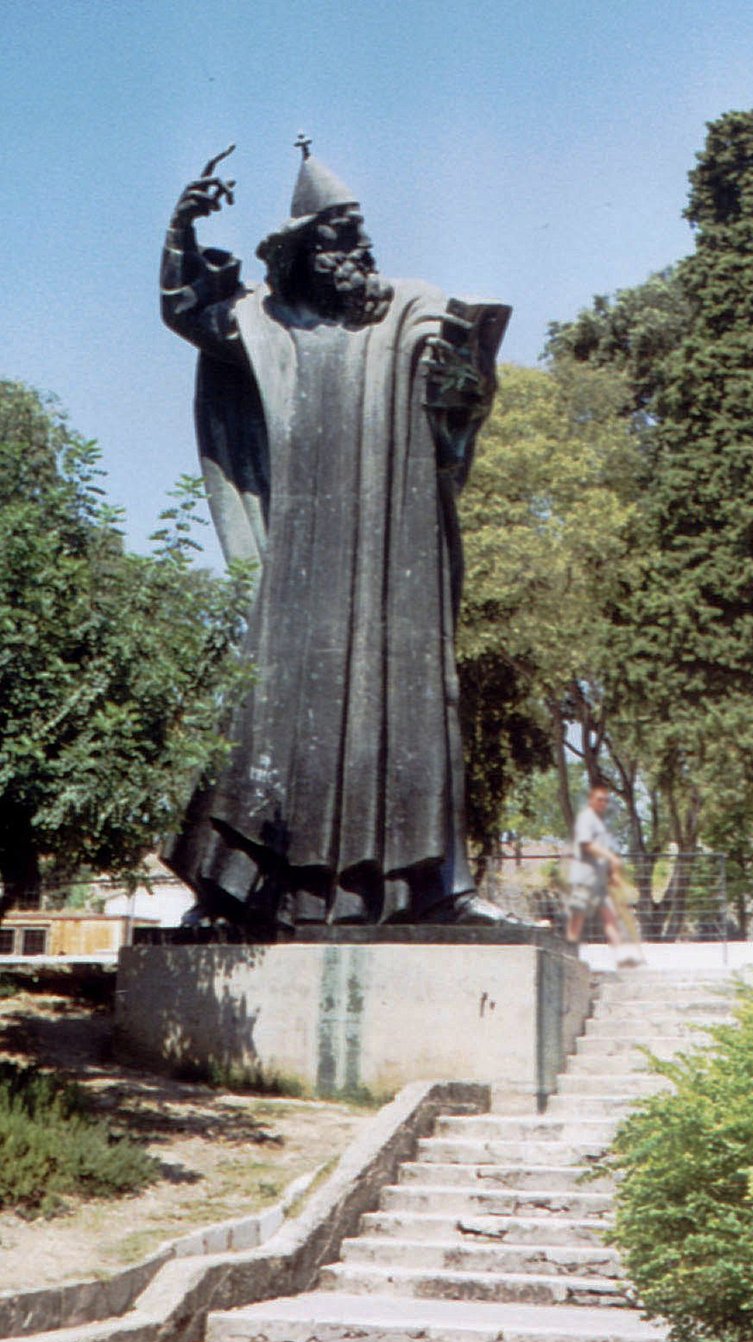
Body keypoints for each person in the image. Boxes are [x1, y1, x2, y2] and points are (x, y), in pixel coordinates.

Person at [160, 140, 511, 928]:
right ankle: (241, 890)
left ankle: (433, 889)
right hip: (303, 554)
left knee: (412, 699)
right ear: (301, 252)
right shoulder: (262, 319)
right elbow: (190, 313)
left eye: (360, 234)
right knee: (278, 703)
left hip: (397, 547)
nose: (358, 250)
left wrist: (463, 373)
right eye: (338, 237)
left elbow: (462, 393)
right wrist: (180, 231)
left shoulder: (412, 307)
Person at [565, 783, 624, 949]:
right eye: (599, 800)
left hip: (599, 880)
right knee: (578, 915)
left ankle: (621, 957)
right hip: (585, 877)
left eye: (606, 800)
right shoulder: (586, 818)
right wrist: (611, 857)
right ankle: (570, 951)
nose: (603, 803)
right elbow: (586, 844)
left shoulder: (600, 823)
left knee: (611, 916)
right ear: (591, 800)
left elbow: (604, 852)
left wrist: (612, 873)